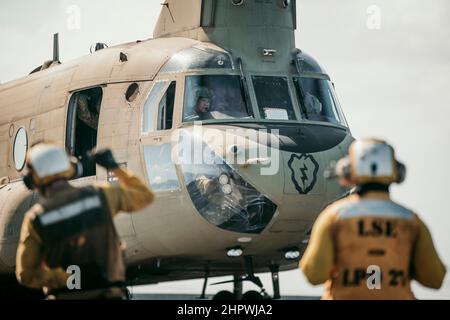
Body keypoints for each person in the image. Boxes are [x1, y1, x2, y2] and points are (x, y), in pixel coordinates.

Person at [299, 138, 446, 299]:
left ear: (348, 171)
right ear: (397, 172)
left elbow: (314, 274)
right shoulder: (410, 221)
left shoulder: (333, 217)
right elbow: (435, 279)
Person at [15, 143, 155, 300]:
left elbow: (26, 274)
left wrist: (68, 279)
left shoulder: (36, 217)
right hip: (108, 294)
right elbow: (145, 196)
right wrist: (114, 167)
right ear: (71, 168)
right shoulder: (101, 195)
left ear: (32, 180)